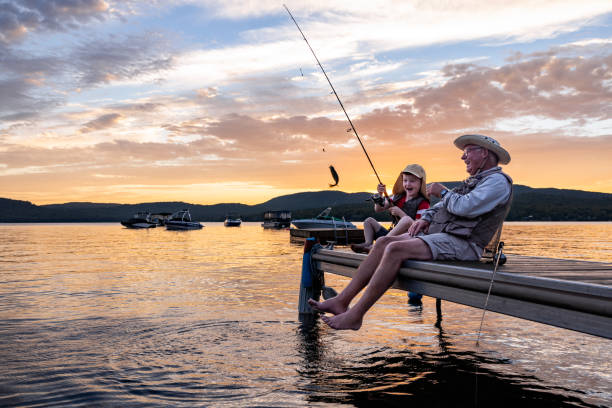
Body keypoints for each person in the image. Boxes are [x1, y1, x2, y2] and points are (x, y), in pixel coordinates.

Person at [309, 134, 512, 330]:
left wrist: (442, 191)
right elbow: (441, 206)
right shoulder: (475, 181)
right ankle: (342, 301)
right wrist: (425, 218)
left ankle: (356, 316)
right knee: (381, 243)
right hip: (444, 236)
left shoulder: (497, 182)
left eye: (467, 151)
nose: (463, 156)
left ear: (484, 153)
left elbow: (465, 207)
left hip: (466, 244)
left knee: (395, 249)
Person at [351, 164, 430, 254]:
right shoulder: (398, 197)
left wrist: (400, 213)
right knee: (368, 221)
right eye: (405, 180)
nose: (408, 184)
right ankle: (368, 244)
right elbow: (378, 209)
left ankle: (377, 246)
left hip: (407, 238)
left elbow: (418, 227)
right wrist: (380, 195)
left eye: (412, 181)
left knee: (406, 220)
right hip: (391, 236)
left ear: (421, 183)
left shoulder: (423, 203)